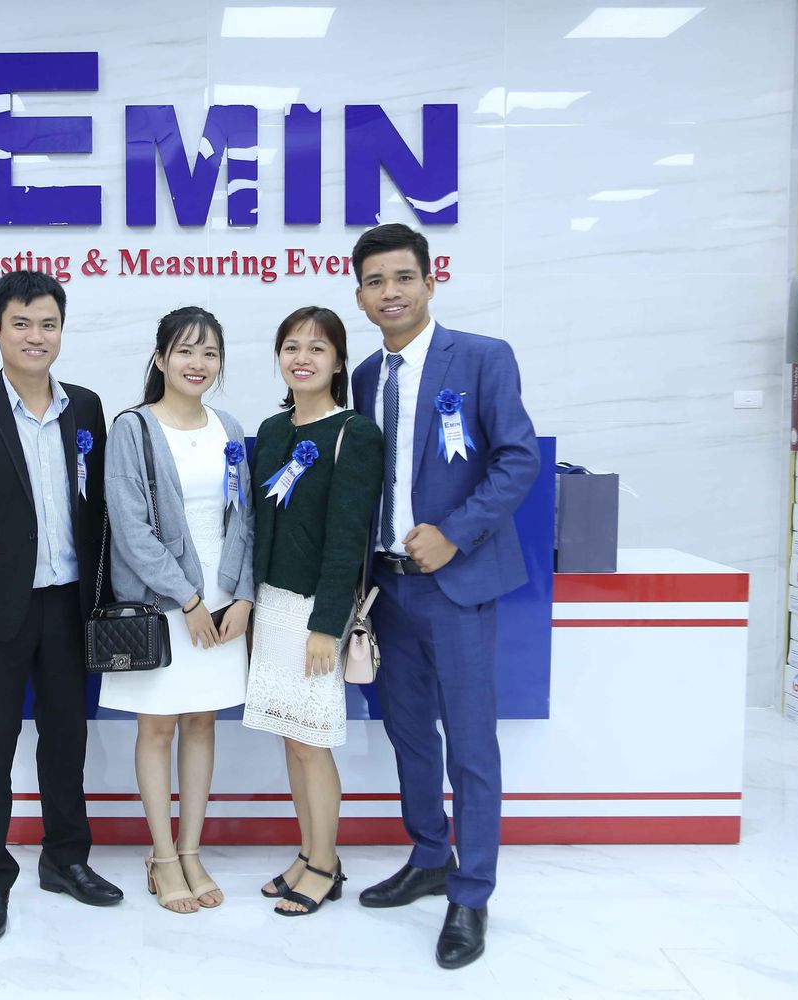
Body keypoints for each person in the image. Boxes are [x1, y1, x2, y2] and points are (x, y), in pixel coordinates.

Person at [348, 224, 540, 969]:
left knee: (470, 742)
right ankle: (430, 854)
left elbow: (517, 458)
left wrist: (454, 534)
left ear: (431, 283)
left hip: (457, 586)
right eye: (375, 281)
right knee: (408, 734)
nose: (390, 292)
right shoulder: (365, 374)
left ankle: (471, 891)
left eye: (404, 277)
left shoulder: (483, 358)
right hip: (386, 589)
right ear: (360, 296)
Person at [0, 270, 123, 944]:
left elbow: (99, 514)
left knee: (66, 742)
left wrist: (108, 602)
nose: (35, 336)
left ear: (61, 330)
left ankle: (65, 859)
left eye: (47, 323)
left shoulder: (86, 408)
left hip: (70, 608)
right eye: (21, 323)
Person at [99, 306, 255, 914]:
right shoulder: (133, 428)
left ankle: (191, 851)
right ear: (161, 358)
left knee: (202, 723)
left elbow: (245, 519)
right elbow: (132, 530)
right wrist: (187, 599)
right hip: (162, 603)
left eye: (210, 353)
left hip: (222, 603)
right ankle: (162, 857)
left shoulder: (229, 427)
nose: (198, 363)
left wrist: (242, 595)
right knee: (158, 727)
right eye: (186, 351)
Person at [245, 306, 382, 916]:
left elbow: (348, 539)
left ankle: (325, 864)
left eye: (317, 348)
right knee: (290, 736)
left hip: (313, 613)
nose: (302, 358)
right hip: (271, 604)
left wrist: (327, 625)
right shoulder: (272, 430)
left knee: (312, 742)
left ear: (338, 361)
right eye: (292, 346)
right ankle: (308, 852)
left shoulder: (355, 433)